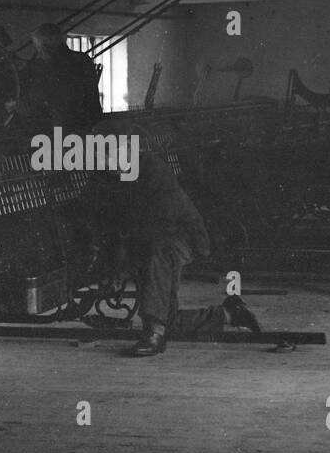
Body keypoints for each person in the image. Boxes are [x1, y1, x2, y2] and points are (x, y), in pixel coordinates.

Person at [91, 133, 259, 357]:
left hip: (183, 235)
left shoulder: (152, 169)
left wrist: (122, 242)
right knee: (168, 316)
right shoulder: (121, 175)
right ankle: (228, 314)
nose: (107, 164)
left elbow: (156, 220)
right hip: (157, 235)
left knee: (158, 254)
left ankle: (154, 333)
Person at [15, 23, 104, 131]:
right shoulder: (83, 58)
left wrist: (16, 105)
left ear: (44, 47)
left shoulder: (47, 66)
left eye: (38, 47)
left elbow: (34, 101)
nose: (38, 52)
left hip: (63, 130)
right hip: (90, 125)